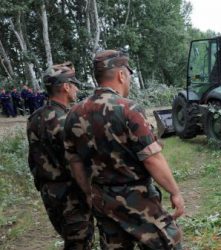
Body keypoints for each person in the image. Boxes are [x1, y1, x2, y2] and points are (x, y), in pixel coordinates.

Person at [64, 50, 184, 249]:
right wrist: (175, 192)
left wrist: (88, 192)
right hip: (137, 199)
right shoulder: (128, 109)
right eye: (128, 76)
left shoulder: (73, 114)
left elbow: (74, 161)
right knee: (168, 241)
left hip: (102, 200)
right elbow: (152, 159)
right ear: (121, 75)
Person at [27, 62, 94, 249]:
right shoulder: (67, 120)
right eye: (74, 84)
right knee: (79, 242)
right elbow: (77, 162)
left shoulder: (35, 118)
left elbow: (33, 159)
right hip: (71, 194)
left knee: (71, 238)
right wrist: (89, 192)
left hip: (49, 193)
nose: (77, 89)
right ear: (66, 87)